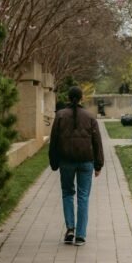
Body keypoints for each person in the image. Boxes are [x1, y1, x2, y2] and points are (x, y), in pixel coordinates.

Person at [49, 86, 104, 246]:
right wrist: (98, 164)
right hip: (86, 161)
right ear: (81, 98)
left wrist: (54, 162)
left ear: (68, 97)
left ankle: (70, 229)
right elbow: (97, 142)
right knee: (83, 196)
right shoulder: (90, 116)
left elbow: (54, 141)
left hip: (66, 161)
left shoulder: (60, 116)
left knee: (67, 193)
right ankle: (80, 235)